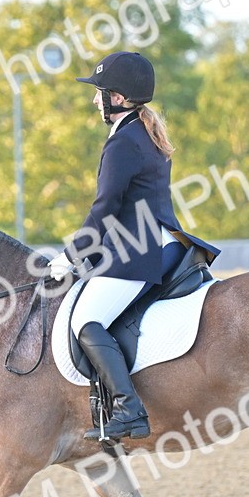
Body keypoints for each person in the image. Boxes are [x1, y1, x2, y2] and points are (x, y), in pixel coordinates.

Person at [47, 50, 220, 442]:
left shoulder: (124, 142)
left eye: (100, 93)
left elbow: (105, 208)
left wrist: (71, 256)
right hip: (162, 243)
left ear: (119, 98)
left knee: (85, 321)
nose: (95, 100)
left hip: (138, 251)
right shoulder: (144, 133)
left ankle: (129, 409)